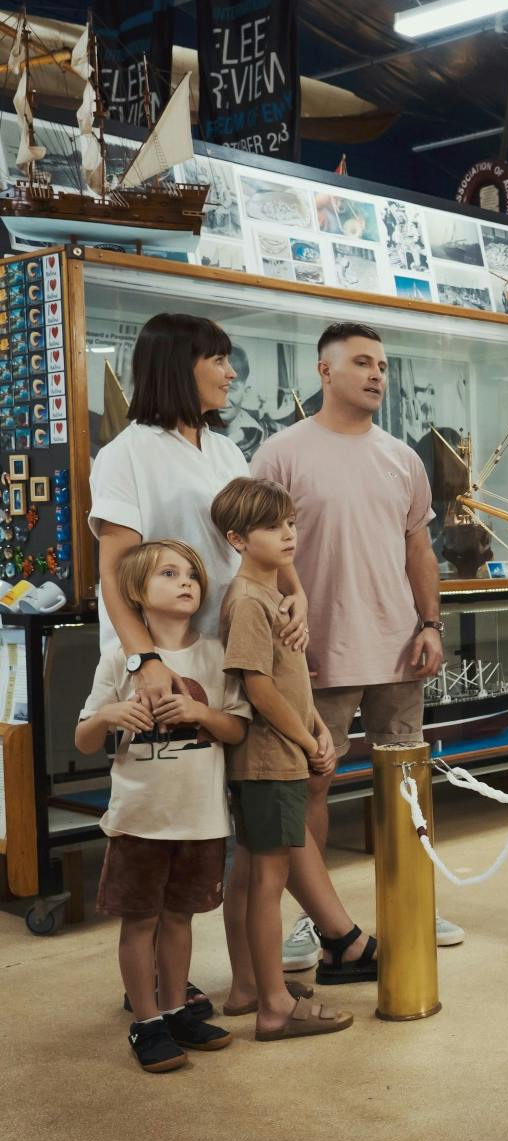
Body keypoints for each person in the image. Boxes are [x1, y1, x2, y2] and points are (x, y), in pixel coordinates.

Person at [89, 312, 309, 1014]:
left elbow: (255, 534)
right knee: (156, 820)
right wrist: (146, 658)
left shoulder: (222, 448)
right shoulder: (126, 453)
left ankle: (230, 981)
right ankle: (149, 991)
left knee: (207, 821)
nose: (230, 372)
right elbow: (113, 569)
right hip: (159, 658)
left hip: (223, 657)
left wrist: (294, 593)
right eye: (218, 359)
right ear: (180, 365)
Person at [252, 322, 456, 970]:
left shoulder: (402, 458)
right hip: (317, 654)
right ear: (325, 371)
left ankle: (411, 902)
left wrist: (431, 624)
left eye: (383, 366)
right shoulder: (281, 455)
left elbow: (417, 550)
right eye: (362, 362)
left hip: (398, 649)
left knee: (406, 783)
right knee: (311, 787)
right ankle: (319, 921)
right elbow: (256, 552)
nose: (376, 375)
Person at [75, 540, 250, 1072]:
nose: (186, 582)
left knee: (180, 919)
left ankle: (175, 1010)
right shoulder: (119, 659)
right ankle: (146, 1022)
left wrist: (198, 710)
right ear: (136, 592)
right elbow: (83, 737)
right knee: (139, 921)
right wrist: (110, 716)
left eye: (192, 574)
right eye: (169, 573)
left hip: (201, 818)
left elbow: (237, 728)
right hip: (139, 818)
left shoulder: (217, 655)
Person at [212, 477, 354, 1039]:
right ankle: (274, 1005)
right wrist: (303, 739)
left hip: (284, 755)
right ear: (239, 538)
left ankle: (250, 985)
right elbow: (259, 687)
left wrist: (317, 726)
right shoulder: (249, 601)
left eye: (291, 523)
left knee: (252, 875)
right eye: (273, 527)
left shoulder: (275, 597)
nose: (288, 534)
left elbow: (293, 682)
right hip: (268, 762)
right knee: (268, 881)